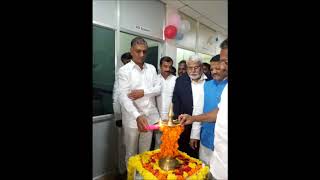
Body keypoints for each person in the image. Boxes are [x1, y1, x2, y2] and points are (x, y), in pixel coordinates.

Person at [178, 38, 228, 180]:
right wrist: (195, 133)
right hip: (206, 136)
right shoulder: (206, 85)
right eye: (212, 69)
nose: (215, 71)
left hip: (221, 142)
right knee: (204, 169)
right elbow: (199, 109)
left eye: (218, 67)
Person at [118, 37, 161, 167]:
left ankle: (142, 177)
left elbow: (158, 89)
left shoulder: (152, 69)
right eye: (138, 51)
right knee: (131, 154)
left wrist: (143, 92)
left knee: (145, 153)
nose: (142, 55)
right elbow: (124, 97)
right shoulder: (124, 71)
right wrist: (138, 115)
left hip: (149, 118)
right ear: (131, 51)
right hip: (132, 120)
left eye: (144, 51)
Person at [172, 54, 207, 158]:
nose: (193, 70)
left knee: (199, 158)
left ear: (201, 67)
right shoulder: (180, 81)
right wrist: (178, 122)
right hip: (184, 125)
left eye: (196, 67)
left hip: (203, 126)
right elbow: (176, 101)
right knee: (182, 156)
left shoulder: (210, 81)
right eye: (190, 68)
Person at [112, 52, 132, 176]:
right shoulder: (121, 75)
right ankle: (121, 171)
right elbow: (116, 97)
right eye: (125, 62)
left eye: (128, 61)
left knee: (132, 147)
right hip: (123, 117)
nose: (127, 63)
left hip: (136, 117)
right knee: (123, 145)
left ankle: (133, 172)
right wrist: (118, 116)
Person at [154, 56, 177, 149]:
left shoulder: (176, 80)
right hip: (157, 117)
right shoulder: (154, 79)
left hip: (171, 117)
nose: (167, 69)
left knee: (170, 143)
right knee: (158, 142)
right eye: (165, 66)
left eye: (169, 67)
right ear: (160, 66)